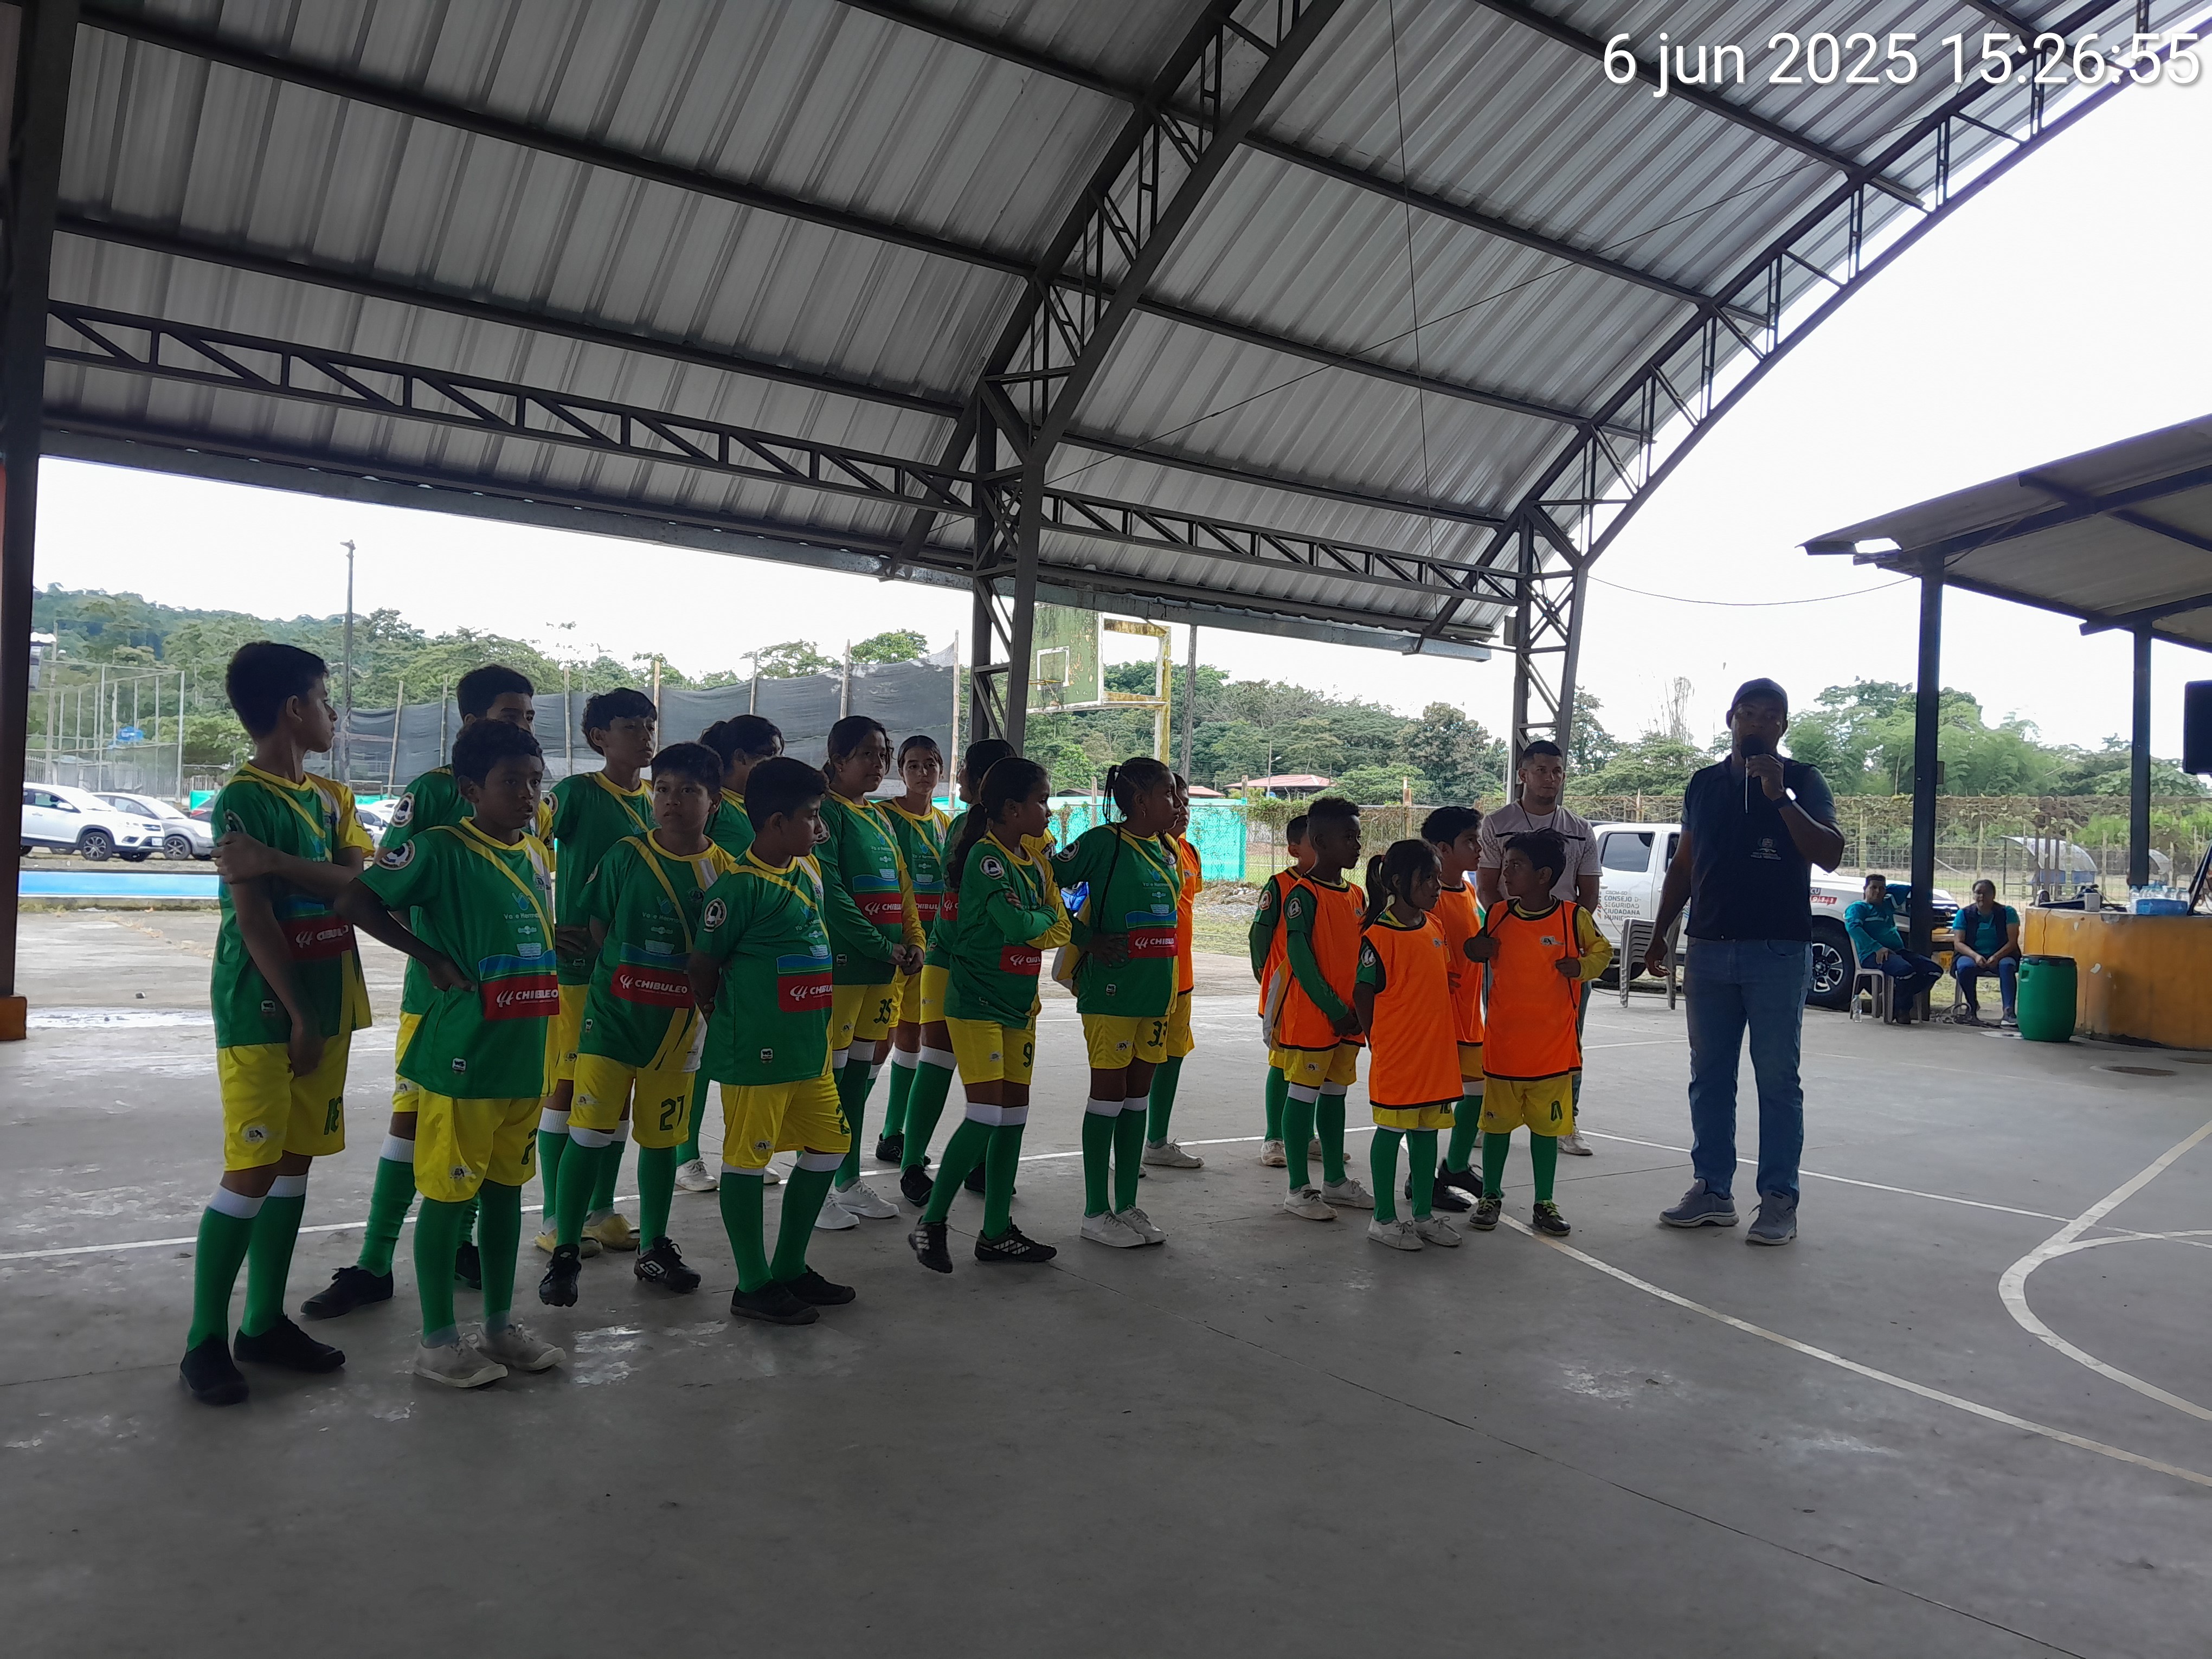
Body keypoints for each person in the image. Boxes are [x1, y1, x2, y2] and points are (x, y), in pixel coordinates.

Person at [265, 662, 540, 1319]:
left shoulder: (531, 800)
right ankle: (375, 1261)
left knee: (485, 1140)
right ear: (472, 723)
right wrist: (435, 959)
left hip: (513, 1006)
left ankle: (462, 1246)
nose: (524, 729)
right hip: (441, 1002)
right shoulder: (436, 793)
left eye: (531, 719)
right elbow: (379, 888)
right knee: (414, 1125)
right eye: (511, 716)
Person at [338, 718, 567, 1387]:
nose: (526, 795)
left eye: (535, 782)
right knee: (446, 1195)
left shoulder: (536, 852)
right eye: (510, 782)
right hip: (465, 1050)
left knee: (505, 1195)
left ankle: (498, 1327)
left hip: (526, 1047)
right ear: (470, 789)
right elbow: (356, 899)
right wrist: (430, 958)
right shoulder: (439, 848)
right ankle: (437, 1341)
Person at [178, 644, 372, 1405]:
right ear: (295, 709)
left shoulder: (333, 798)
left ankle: (263, 1322)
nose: (333, 714)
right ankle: (204, 1340)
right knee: (252, 1167)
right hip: (265, 1010)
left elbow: (356, 887)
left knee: (294, 1163)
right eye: (325, 700)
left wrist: (277, 862)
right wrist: (299, 1015)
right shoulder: (241, 799)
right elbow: (255, 921)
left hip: (329, 1001)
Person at [1646, 678, 1843, 1247]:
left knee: (1777, 1078)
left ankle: (1779, 1199)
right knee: (1709, 1076)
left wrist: (1781, 797)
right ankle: (1712, 1189)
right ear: (1730, 718)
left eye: (1771, 715)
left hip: (1777, 950)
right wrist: (1660, 933)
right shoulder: (1704, 784)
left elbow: (1830, 853)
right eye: (1748, 713)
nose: (1758, 723)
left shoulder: (1804, 780)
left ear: (1784, 725)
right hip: (1709, 947)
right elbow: (1685, 864)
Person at [538, 742, 736, 1308]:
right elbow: (598, 923)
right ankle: (566, 1249)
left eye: (689, 791)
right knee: (588, 1133)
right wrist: (623, 978)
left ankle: (654, 1246)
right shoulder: (626, 855)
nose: (672, 801)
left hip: (678, 1031)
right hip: (612, 1023)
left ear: (714, 803)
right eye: (663, 789)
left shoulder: (726, 870)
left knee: (661, 1140)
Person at [686, 757, 855, 1326]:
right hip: (756, 1051)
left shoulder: (808, 873)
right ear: (777, 822)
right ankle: (753, 1284)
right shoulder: (738, 888)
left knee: (830, 1145)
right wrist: (725, 1015)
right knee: (746, 1160)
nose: (819, 828)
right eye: (811, 817)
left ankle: (790, 1266)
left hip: (809, 1048)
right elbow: (703, 966)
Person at [908, 756, 1070, 1271]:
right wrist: (1040, 920)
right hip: (976, 1004)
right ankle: (932, 1222)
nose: (1048, 810)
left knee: (1012, 1118)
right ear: (1012, 809)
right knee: (986, 1114)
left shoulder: (1036, 862)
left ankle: (996, 1231)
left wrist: (1037, 920)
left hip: (1019, 1005)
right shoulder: (986, 858)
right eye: (1041, 801)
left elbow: (1061, 925)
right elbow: (1021, 926)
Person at [541, 690, 659, 1259]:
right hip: (580, 969)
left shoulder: (657, 800)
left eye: (649, 725)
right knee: (568, 1089)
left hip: (634, 972)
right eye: (631, 726)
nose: (645, 736)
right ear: (598, 738)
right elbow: (519, 844)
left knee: (618, 1092)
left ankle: (602, 1209)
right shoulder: (577, 794)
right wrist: (542, 923)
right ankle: (553, 1216)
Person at [1053, 756, 1183, 1249]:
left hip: (1157, 992)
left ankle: (1127, 1205)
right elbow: (1043, 883)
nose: (1177, 802)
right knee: (1107, 1098)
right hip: (1112, 993)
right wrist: (1084, 937)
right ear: (1141, 801)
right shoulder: (1102, 843)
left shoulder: (1168, 849)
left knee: (1136, 1099)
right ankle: (1095, 1211)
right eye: (1168, 793)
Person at [814, 715, 927, 1227]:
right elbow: (832, 892)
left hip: (883, 972)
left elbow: (903, 888)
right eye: (867, 754)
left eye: (883, 754)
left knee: (858, 1080)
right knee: (830, 1081)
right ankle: (816, 1185)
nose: (878, 763)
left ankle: (847, 1179)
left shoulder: (880, 818)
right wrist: (881, 946)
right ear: (838, 760)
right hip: (843, 969)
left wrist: (915, 941)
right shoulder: (826, 814)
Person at [1469, 831, 1611, 1238]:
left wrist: (1581, 968)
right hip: (1504, 1050)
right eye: (1506, 865)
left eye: (1516, 866)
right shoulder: (1498, 914)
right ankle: (1490, 1196)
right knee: (1496, 1129)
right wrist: (1474, 949)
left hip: (1551, 1053)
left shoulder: (1572, 917)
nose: (1506, 873)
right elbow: (1476, 949)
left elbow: (1602, 952)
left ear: (1544, 875)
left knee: (1546, 1133)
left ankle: (1544, 1201)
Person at [899, 737, 1018, 1208]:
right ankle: (913, 1163)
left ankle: (980, 1164)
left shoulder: (1017, 834)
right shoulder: (966, 828)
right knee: (939, 1059)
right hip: (953, 961)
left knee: (989, 1071)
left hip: (989, 969)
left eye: (966, 767)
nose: (959, 776)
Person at [672, 712, 785, 1193]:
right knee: (697, 1053)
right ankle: (686, 1155)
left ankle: (743, 1152)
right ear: (740, 758)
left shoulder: (755, 806)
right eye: (767, 757)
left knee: (736, 1051)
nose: (772, 766)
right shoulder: (718, 806)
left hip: (748, 944)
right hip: (710, 936)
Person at [1476, 739, 1602, 1156]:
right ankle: (1494, 1118)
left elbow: (1588, 893)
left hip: (1561, 953)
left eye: (1558, 771)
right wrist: (1509, 928)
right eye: (1542, 770)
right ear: (1523, 775)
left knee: (1568, 1034)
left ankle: (1567, 1120)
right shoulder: (1497, 824)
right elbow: (1487, 886)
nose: (1551, 778)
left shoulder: (1580, 829)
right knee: (1501, 1029)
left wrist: (1567, 931)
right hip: (1508, 949)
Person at [1268, 795, 1375, 1222]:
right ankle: (1298, 1188)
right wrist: (1332, 1008)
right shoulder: (1303, 894)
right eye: (1349, 837)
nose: (1357, 846)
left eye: (1358, 837)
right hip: (1316, 1017)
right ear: (1321, 841)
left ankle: (1335, 1180)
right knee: (1302, 1095)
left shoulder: (1356, 894)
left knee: (1335, 1094)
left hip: (1348, 1017)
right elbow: (1300, 958)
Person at [1354, 839, 1464, 1251]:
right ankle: (1383, 1219)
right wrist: (1377, 1038)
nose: (1437, 886)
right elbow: (1363, 992)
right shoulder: (1379, 936)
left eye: (1438, 877)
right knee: (1391, 1130)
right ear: (1400, 882)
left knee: (1426, 1132)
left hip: (1435, 1055)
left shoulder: (1434, 926)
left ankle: (1422, 1215)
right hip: (1400, 1055)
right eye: (1428, 878)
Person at [878, 735, 951, 1167]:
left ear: (941, 769)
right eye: (913, 765)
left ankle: (894, 1133)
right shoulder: (885, 817)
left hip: (931, 949)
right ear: (900, 771)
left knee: (914, 1037)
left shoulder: (945, 824)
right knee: (880, 1042)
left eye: (930, 765)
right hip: (894, 945)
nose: (923, 773)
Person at [1419, 805, 1485, 1214]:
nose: (1479, 849)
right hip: (1439, 1020)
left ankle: (1456, 1166)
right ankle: (1421, 1180)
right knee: (1430, 1106)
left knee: (1476, 1093)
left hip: (1469, 1016)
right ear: (1443, 848)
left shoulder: (1469, 890)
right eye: (1470, 841)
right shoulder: (1429, 899)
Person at [1143, 774, 1207, 1169]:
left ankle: (1157, 1141)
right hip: (1144, 977)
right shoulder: (1137, 850)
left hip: (1181, 977)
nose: (1182, 810)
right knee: (1132, 1065)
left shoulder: (1189, 853)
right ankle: (1123, 1147)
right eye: (1174, 800)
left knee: (1172, 1056)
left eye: (1186, 802)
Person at [1246, 811, 1313, 1167]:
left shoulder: (1343, 891)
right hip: (1286, 992)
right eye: (1315, 842)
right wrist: (1265, 974)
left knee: (1314, 1065)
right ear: (1294, 849)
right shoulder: (1280, 885)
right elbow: (1260, 932)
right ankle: (1274, 1137)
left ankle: (1306, 1135)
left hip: (1320, 995)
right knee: (1283, 1062)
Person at [1846, 873, 1944, 1024]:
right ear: (1865, 889)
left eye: (1882, 889)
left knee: (1934, 970)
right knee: (1905, 971)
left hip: (1898, 952)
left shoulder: (1888, 905)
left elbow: (1907, 888)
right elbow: (1853, 928)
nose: (1877, 892)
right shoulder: (1858, 908)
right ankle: (1902, 1010)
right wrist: (1877, 947)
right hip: (1873, 954)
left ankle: (1894, 1000)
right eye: (1873, 888)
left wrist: (1887, 889)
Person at [1951, 879, 2021, 1026]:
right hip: (1972, 955)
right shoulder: (1964, 914)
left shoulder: (2007, 913)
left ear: (1993, 895)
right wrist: (1976, 956)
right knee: (1964, 968)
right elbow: (1958, 943)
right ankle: (1971, 1006)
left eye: (1986, 893)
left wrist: (1997, 956)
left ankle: (2008, 1012)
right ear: (1973, 895)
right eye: (1978, 893)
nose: (1981, 897)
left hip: (2002, 954)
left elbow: (2012, 942)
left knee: (2007, 965)